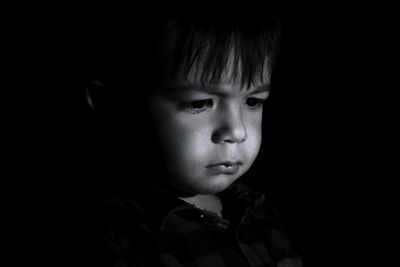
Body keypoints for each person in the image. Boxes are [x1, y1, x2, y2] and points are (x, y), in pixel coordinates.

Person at [78, 6, 303, 267]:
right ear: (113, 104)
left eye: (253, 101)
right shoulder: (116, 238)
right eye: (199, 104)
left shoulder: (262, 214)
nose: (237, 131)